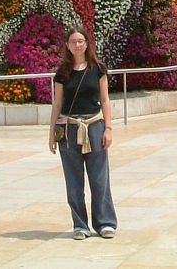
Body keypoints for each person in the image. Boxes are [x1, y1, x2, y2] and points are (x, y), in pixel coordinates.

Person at [49, 26, 117, 240]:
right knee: (73, 180)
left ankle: (105, 222)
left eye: (80, 41)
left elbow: (105, 100)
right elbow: (57, 103)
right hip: (69, 129)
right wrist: (51, 133)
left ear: (87, 44)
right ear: (67, 46)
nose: (77, 45)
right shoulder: (62, 73)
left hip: (95, 126)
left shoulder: (98, 69)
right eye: (73, 41)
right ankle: (80, 225)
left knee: (99, 179)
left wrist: (108, 128)